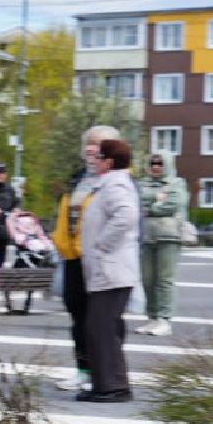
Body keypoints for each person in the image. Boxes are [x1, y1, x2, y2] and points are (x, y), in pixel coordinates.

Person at [51, 124, 121, 393]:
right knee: (78, 316)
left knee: (102, 322)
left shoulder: (116, 182)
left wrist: (101, 248)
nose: (91, 151)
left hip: (102, 261)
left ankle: (108, 375)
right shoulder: (78, 180)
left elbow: (124, 222)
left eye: (98, 146)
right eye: (88, 146)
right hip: (74, 258)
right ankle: (84, 370)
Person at [77, 138, 140, 402]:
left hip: (112, 270)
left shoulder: (115, 185)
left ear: (109, 162)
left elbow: (126, 215)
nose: (95, 161)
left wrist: (102, 244)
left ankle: (113, 387)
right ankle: (107, 384)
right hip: (108, 270)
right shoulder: (109, 184)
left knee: (101, 328)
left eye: (99, 157)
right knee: (101, 328)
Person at [136, 152, 187, 337]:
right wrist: (157, 200)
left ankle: (165, 319)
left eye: (159, 163)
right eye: (152, 163)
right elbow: (137, 202)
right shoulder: (142, 183)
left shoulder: (176, 183)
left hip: (168, 236)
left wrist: (150, 208)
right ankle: (152, 317)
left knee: (165, 280)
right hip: (146, 236)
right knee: (147, 280)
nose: (156, 167)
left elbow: (174, 203)